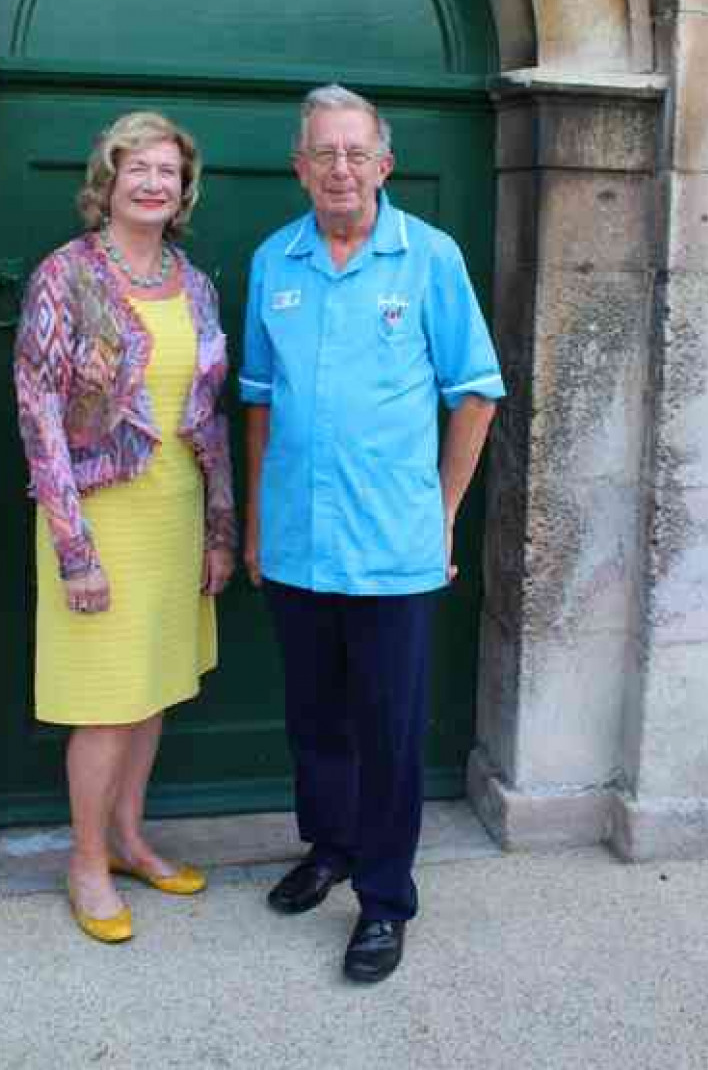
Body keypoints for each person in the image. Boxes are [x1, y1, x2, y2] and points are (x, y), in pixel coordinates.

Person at [240, 84, 504, 983]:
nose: (340, 168)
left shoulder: (429, 258)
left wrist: (442, 510)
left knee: (388, 729)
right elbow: (260, 403)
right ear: (300, 166)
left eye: (356, 152)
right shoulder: (273, 260)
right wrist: (255, 522)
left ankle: (385, 900)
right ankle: (331, 847)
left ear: (384, 165)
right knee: (315, 718)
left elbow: (475, 390)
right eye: (324, 153)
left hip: (394, 548)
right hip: (298, 544)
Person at [14, 111, 235, 944]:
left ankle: (132, 837)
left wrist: (219, 528)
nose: (153, 182)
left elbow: (207, 417)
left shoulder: (194, 279)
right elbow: (38, 418)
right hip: (98, 516)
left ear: (184, 191)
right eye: (137, 167)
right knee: (106, 702)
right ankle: (86, 863)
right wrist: (74, 550)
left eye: (167, 172)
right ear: (107, 180)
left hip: (175, 510)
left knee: (153, 690)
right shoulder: (64, 276)